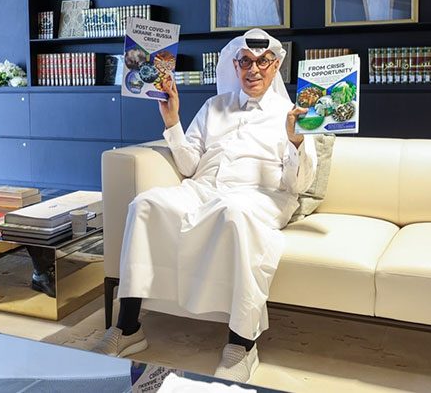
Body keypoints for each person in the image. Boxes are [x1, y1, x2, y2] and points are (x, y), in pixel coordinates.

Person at [93, 28, 316, 383]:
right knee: (146, 203)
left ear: (275, 66)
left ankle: (242, 343)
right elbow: (188, 165)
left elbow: (298, 184)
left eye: (262, 62)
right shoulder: (215, 106)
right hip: (204, 188)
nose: (253, 69)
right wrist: (172, 122)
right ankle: (129, 326)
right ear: (235, 64)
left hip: (259, 195)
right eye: (245, 61)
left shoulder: (293, 112)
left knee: (235, 214)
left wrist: (295, 141)